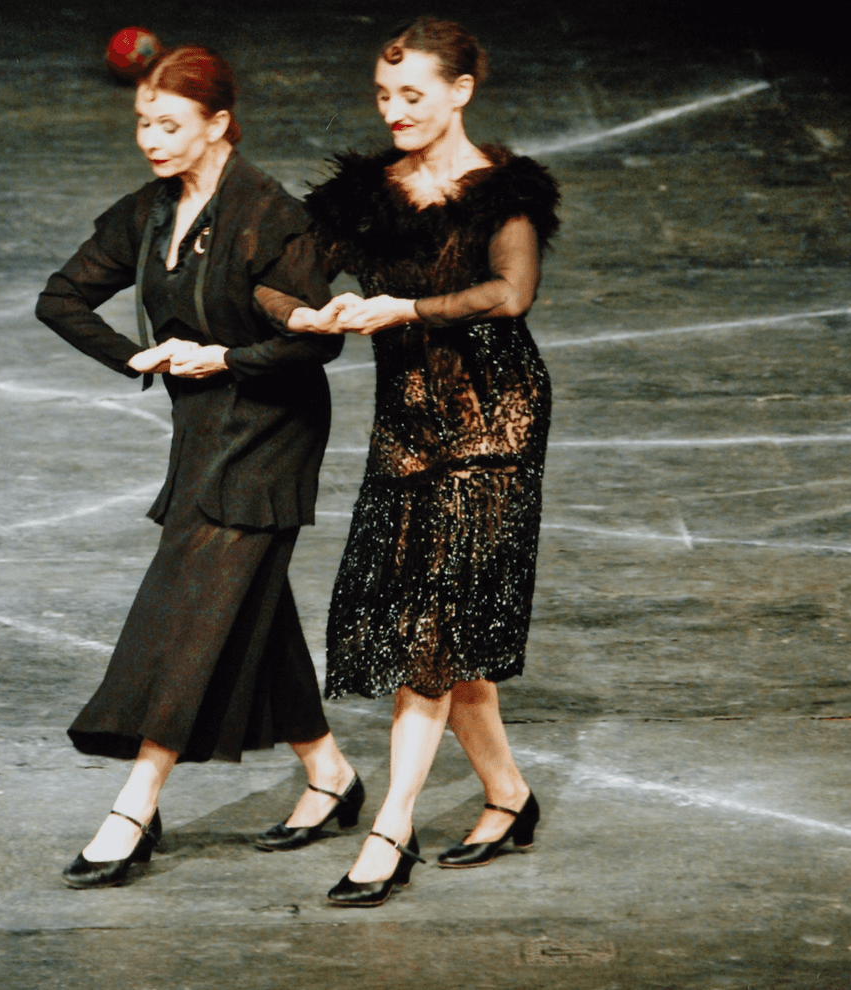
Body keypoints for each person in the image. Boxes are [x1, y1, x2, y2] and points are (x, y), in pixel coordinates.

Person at [34, 45, 363, 889]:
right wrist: (138, 359)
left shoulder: (268, 215)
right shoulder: (150, 212)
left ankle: (134, 805)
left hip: (271, 426)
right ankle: (328, 772)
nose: (151, 138)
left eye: (169, 124)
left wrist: (220, 358)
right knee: (243, 605)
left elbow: (314, 339)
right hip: (202, 430)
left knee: (186, 607)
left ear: (218, 123)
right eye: (144, 121)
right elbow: (61, 297)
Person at [292, 17, 561, 907]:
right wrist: (308, 313)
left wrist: (401, 308)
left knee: (433, 629)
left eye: (413, 95)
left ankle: (391, 828)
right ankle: (509, 796)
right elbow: (286, 273)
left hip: (495, 422)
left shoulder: (502, 191)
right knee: (442, 624)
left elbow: (510, 294)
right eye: (384, 96)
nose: (395, 111)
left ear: (460, 91)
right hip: (407, 424)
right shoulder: (369, 192)